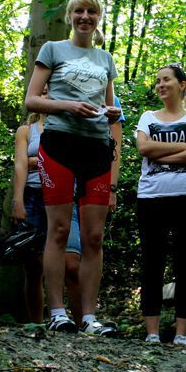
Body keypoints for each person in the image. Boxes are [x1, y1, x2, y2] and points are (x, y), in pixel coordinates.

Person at [24, 0, 122, 336]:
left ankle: (89, 317)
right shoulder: (52, 50)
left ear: (98, 18)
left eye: (91, 12)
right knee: (60, 230)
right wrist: (67, 106)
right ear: (70, 15)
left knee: (93, 236)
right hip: (59, 145)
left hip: (96, 149)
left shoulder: (105, 59)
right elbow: (32, 100)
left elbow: (112, 108)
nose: (85, 17)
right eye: (79, 11)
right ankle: (57, 311)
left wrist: (111, 112)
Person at [136, 64, 186, 345]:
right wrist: (184, 148)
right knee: (151, 262)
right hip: (151, 197)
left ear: (182, 84)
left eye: (166, 79)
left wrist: (161, 153)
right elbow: (144, 148)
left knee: (185, 263)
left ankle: (181, 334)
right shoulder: (147, 117)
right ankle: (152, 333)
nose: (160, 84)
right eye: (157, 80)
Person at [63, 96, 125, 324]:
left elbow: (114, 147)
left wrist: (112, 188)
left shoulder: (110, 98)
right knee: (70, 263)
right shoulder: (61, 92)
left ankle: (87, 320)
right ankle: (68, 317)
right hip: (65, 189)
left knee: (93, 241)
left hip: (95, 184)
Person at [11, 101, 48, 323]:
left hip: (60, 198)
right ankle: (37, 322)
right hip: (32, 196)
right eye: (40, 91)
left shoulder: (66, 127)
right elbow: (20, 165)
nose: (45, 94)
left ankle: (60, 316)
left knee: (60, 261)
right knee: (34, 264)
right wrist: (18, 201)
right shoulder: (26, 131)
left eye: (48, 90)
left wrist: (36, 160)